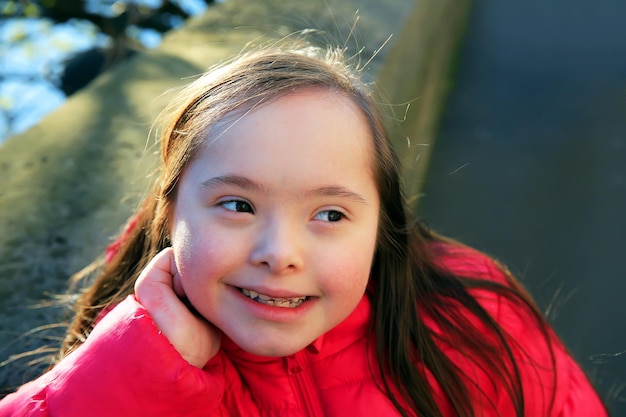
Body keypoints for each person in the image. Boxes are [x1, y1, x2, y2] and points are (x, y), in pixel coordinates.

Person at [0, 42, 608, 417]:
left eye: (329, 214)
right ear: (170, 213)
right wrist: (137, 371)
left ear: (381, 224)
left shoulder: (473, 316)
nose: (279, 254)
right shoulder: (126, 364)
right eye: (238, 206)